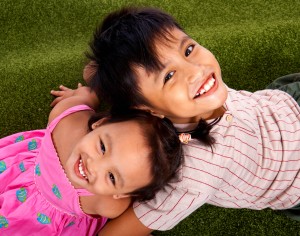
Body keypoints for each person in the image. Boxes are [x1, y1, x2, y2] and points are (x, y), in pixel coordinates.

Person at [69, 6, 299, 235]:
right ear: (147, 109)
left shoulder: (196, 96)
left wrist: (105, 74)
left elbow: (92, 70)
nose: (195, 70)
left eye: (188, 50)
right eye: (169, 76)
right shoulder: (191, 177)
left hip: (286, 104)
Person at [0, 78, 183, 235]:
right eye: (103, 147)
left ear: (121, 193)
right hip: (22, 190)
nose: (94, 166)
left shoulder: (68, 113)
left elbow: (87, 95)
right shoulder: (69, 117)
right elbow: (88, 95)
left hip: (29, 201)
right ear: (101, 123)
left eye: (112, 176)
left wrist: (83, 94)